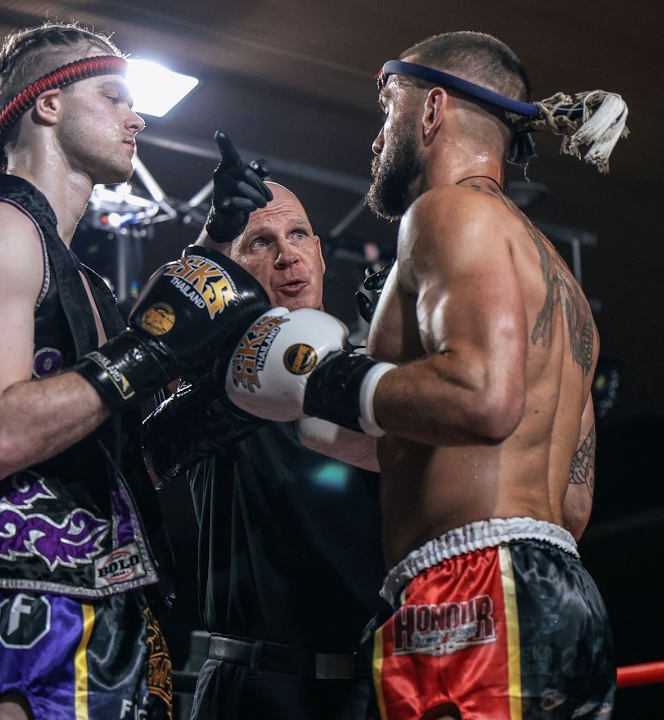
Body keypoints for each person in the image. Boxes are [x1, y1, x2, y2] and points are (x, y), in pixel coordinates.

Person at [214, 31, 630, 720]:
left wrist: (326, 380)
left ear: (431, 109)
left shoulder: (446, 211)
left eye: (388, 111)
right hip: (560, 596)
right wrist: (337, 417)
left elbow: (483, 399)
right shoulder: (561, 281)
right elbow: (572, 503)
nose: (377, 139)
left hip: (472, 594)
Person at [0, 22, 271, 720]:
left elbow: (120, 447)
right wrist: (152, 346)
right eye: (113, 96)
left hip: (104, 601)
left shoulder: (83, 279)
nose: (136, 116)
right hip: (26, 603)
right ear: (47, 105)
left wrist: (230, 379)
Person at [142, 132, 390, 720]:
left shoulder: (378, 379)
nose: (287, 255)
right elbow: (173, 320)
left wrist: (406, 337)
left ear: (322, 254)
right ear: (234, 266)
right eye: (261, 241)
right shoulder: (218, 372)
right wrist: (211, 241)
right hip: (253, 686)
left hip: (371, 685)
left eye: (299, 234)